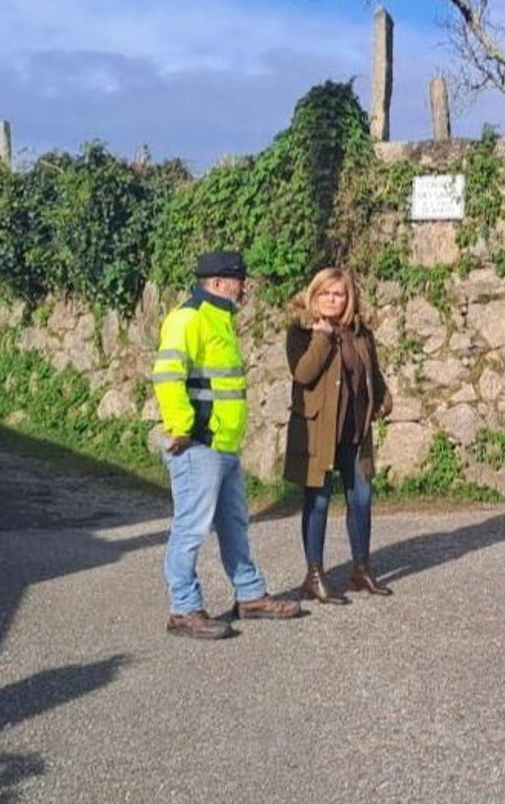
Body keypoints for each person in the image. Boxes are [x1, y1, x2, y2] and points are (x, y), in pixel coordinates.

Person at [151, 250, 301, 640]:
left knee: (234, 524)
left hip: (223, 446)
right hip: (198, 445)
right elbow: (167, 376)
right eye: (239, 279)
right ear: (217, 283)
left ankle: (250, 596)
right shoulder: (189, 318)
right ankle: (183, 610)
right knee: (191, 528)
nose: (244, 286)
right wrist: (182, 428)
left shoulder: (219, 319)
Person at [284, 267, 394, 603]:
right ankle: (314, 575)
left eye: (339, 294)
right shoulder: (301, 331)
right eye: (326, 294)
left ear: (348, 298)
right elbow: (303, 373)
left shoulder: (359, 332)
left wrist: (384, 396)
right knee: (317, 502)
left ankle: (361, 569)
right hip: (319, 431)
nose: (333, 300)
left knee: (361, 500)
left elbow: (370, 371)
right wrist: (321, 336)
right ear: (314, 296)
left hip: (355, 431)